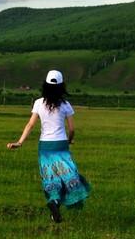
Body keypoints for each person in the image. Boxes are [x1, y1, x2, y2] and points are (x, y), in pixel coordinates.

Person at [7, 70, 90, 223]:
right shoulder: (65, 104)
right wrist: (70, 141)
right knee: (68, 176)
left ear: (45, 85)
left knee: (50, 177)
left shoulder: (39, 103)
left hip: (45, 146)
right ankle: (56, 204)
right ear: (61, 86)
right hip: (61, 144)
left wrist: (19, 142)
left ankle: (54, 202)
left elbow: (30, 124)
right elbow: (72, 129)